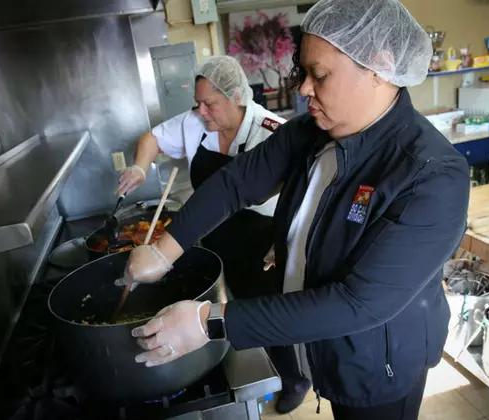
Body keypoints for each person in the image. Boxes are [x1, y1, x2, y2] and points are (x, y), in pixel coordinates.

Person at [123, 0, 471, 418]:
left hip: (378, 364)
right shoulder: (312, 132)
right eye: (303, 72)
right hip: (320, 340)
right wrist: (164, 249)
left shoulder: (432, 174)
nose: (304, 88)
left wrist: (209, 322)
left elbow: (359, 303)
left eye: (319, 75)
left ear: (378, 67)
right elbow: (236, 183)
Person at [117, 55, 310, 413]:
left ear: (236, 97)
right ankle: (255, 363)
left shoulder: (272, 130)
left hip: (262, 242)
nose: (201, 111)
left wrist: (283, 239)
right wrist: (141, 167)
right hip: (217, 235)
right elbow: (153, 137)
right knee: (230, 305)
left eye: (210, 104)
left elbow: (305, 191)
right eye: (198, 103)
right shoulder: (195, 123)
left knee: (267, 311)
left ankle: (295, 378)